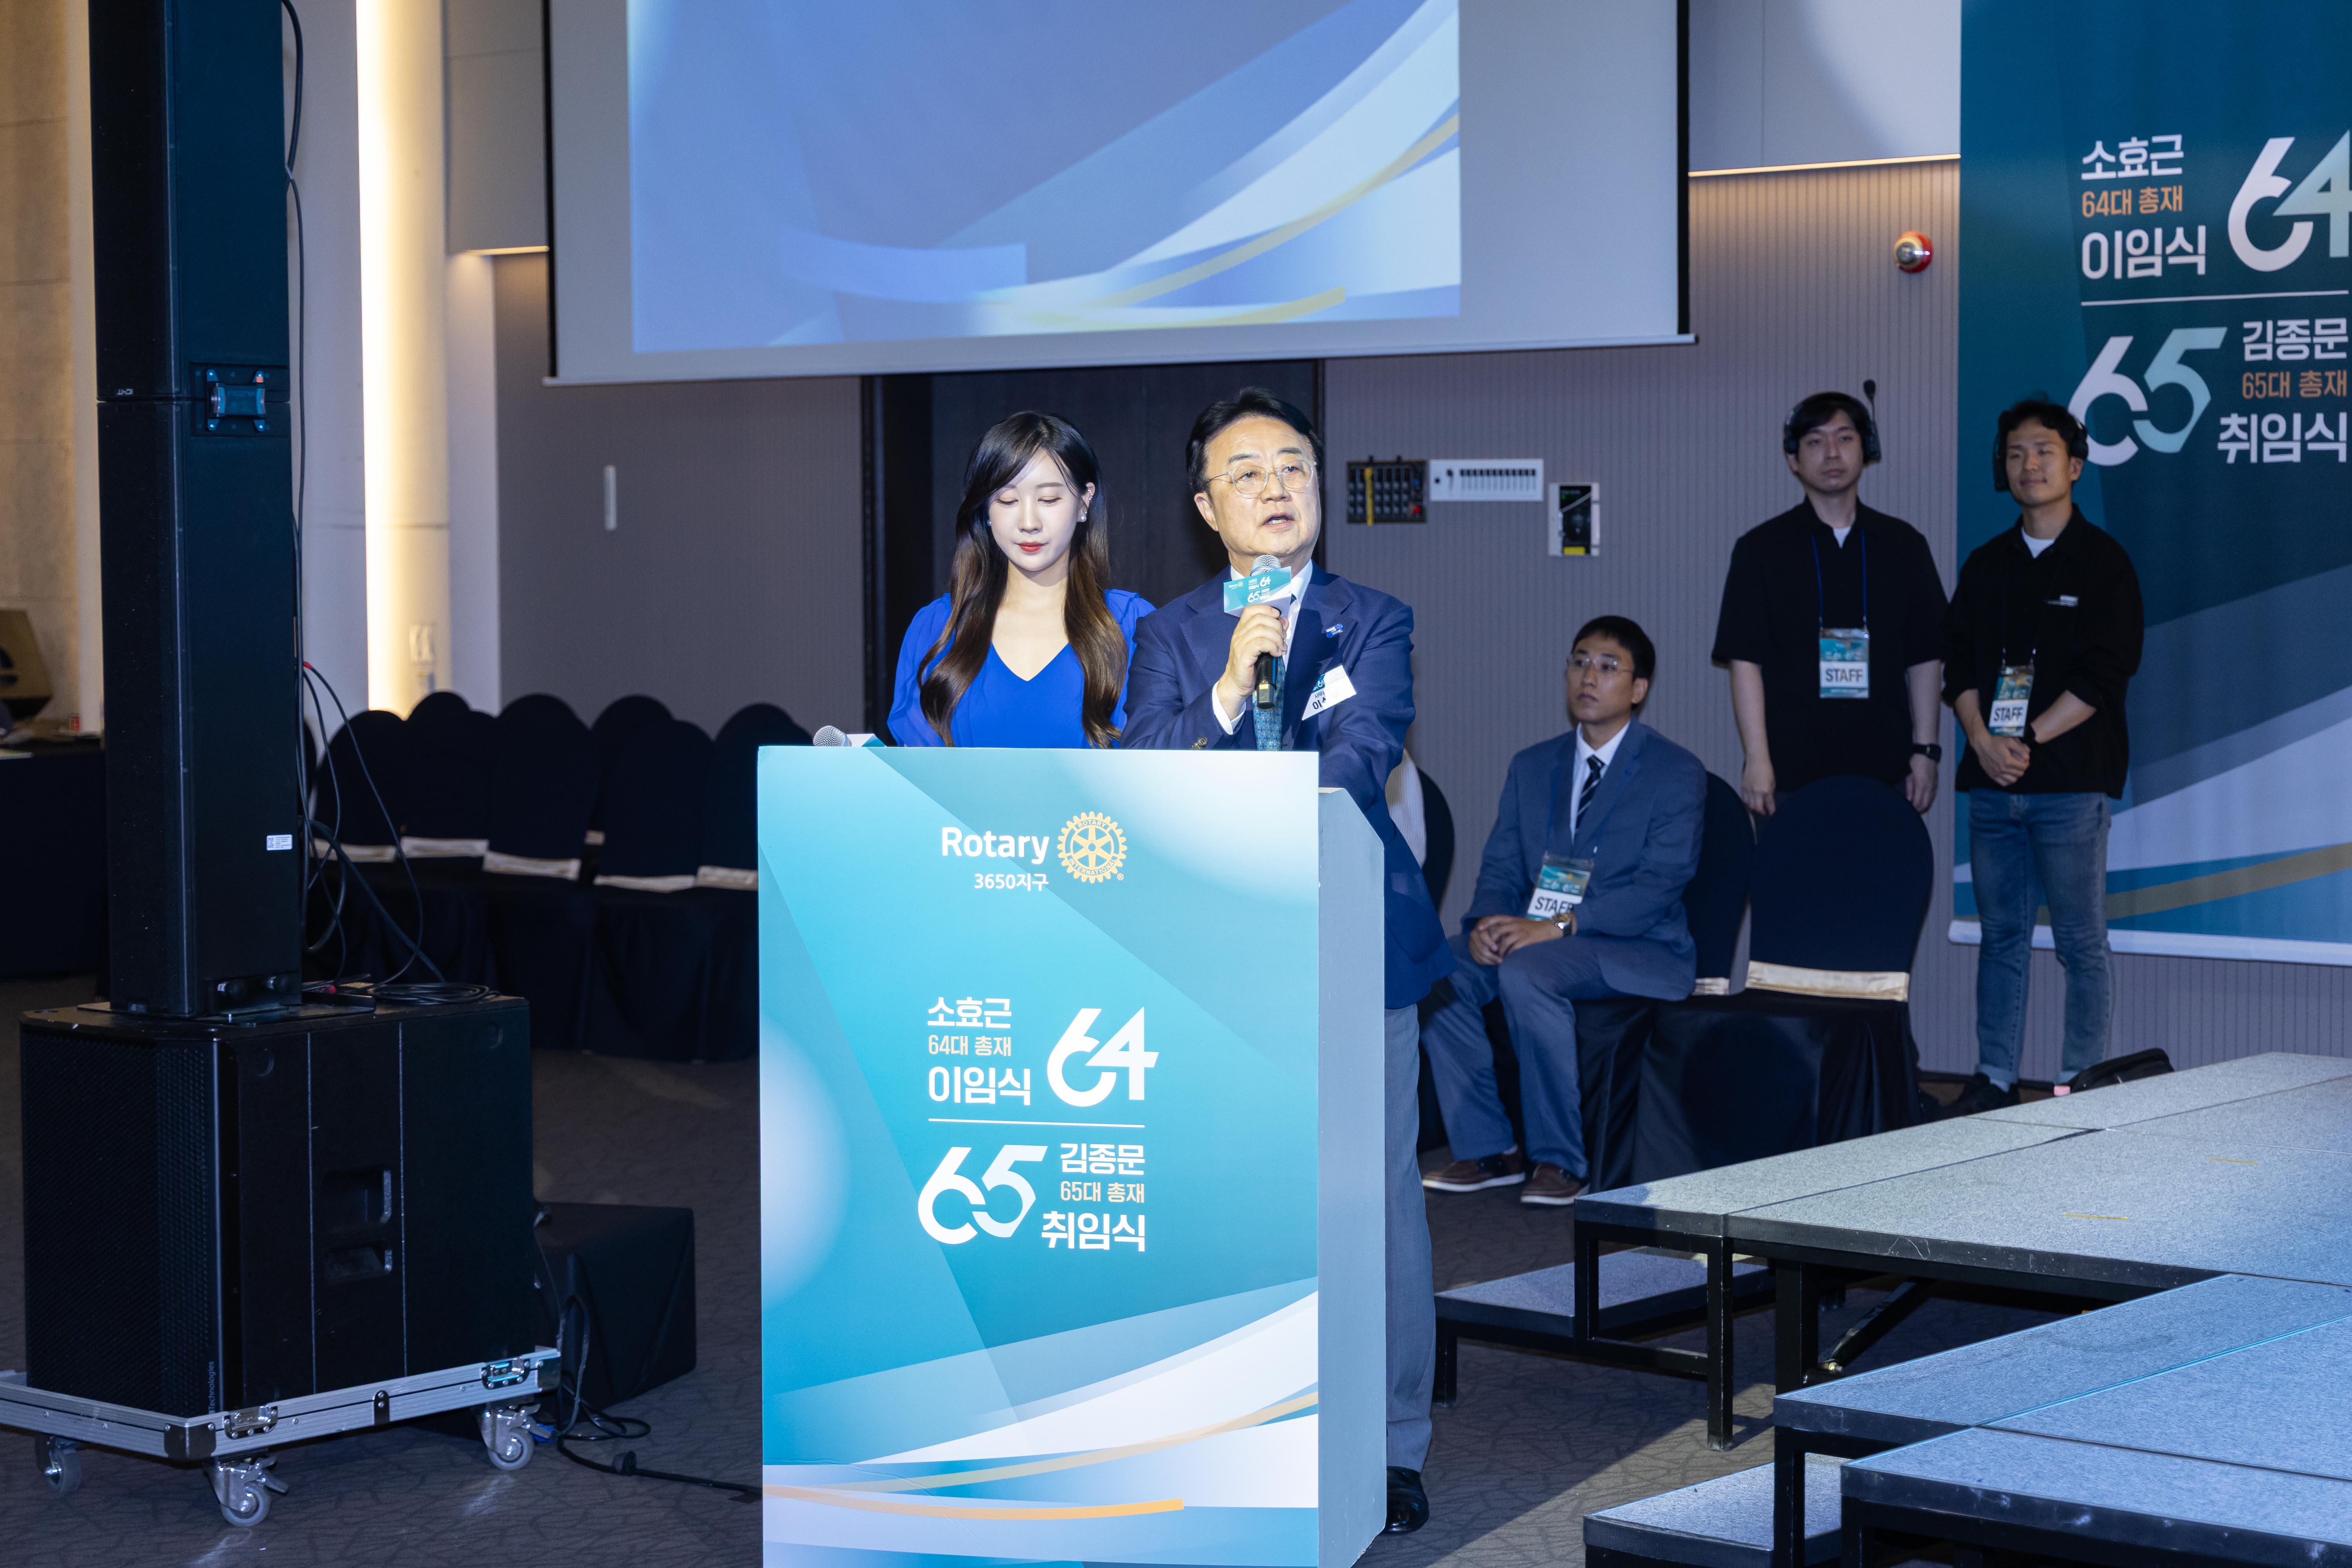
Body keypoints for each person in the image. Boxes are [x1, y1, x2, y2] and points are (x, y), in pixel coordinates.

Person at [1121, 387, 1450, 1537]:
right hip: (1211, 954)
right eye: (1247, 471)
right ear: (1207, 506)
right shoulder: (1168, 636)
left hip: (1352, 945)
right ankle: (1236, 1415)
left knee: (1377, 1201)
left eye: (1294, 466)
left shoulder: (1373, 620)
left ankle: (1391, 1439)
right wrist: (1225, 693)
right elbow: (1143, 768)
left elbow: (1359, 758)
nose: (1276, 487)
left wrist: (1234, 789)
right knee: (1230, 1192)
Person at [1419, 617, 1706, 1205]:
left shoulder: (1675, 772)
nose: (1588, 677)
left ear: (1639, 689)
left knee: (1528, 971)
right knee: (1438, 970)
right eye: (1579, 662)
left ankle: (1561, 1160)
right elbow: (1501, 866)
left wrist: (1558, 926)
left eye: (1608, 666)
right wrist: (1485, 925)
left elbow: (1657, 888)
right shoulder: (1532, 766)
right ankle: (1489, 1149)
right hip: (1539, 934)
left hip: (1637, 946)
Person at [1942, 399, 2143, 1114]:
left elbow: (2105, 674)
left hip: (2069, 783)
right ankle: (1994, 1077)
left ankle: (2078, 1086)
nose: (2029, 465)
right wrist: (1981, 739)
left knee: (2080, 944)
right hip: (1993, 784)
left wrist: (2024, 742)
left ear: (2076, 466)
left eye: (2044, 452)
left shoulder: (2104, 563)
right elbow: (1957, 665)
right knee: (2001, 939)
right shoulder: (1986, 563)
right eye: (2016, 453)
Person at [1713, 392, 1949, 816]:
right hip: (1790, 773)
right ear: (1794, 460)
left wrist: (1926, 751)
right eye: (1815, 442)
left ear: (1866, 449)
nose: (1832, 453)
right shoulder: (1761, 549)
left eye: (1845, 438)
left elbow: (1926, 655)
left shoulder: (1904, 545)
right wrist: (1757, 758)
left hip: (1888, 769)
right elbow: (1745, 660)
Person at [887, 412, 1152, 748]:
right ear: (985, 509)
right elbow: (917, 769)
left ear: (1084, 501)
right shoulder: (936, 628)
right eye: (1008, 500)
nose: (1029, 522)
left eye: (1049, 500)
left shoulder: (1131, 625)